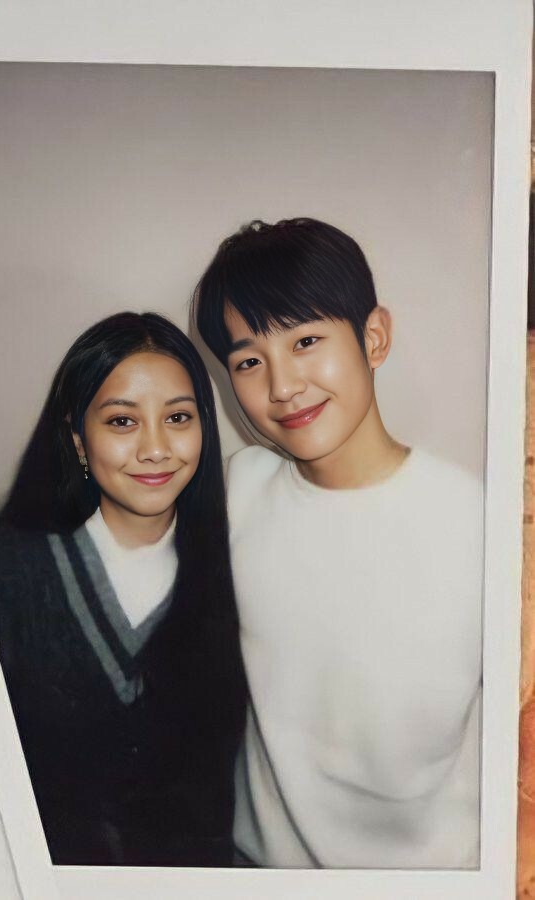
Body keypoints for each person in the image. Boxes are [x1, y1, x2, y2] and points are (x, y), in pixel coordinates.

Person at [193, 217, 483, 869]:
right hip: (257, 871)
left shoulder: (478, 523)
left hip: (434, 879)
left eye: (305, 341)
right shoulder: (236, 491)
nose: (282, 386)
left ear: (373, 337)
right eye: (248, 361)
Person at [0, 311, 247, 866]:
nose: (155, 448)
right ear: (78, 439)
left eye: (178, 417)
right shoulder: (7, 569)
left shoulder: (240, 571)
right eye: (122, 421)